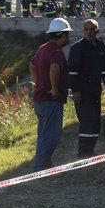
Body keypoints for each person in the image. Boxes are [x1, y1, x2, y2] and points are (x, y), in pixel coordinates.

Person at [30, 18, 73, 171]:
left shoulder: (42, 48)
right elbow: (55, 68)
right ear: (61, 35)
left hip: (40, 99)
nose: (68, 38)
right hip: (50, 100)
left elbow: (32, 65)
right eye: (67, 34)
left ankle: (44, 165)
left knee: (43, 134)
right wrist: (54, 88)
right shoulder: (56, 52)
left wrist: (38, 83)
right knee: (51, 135)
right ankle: (41, 168)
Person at [68, 19, 105, 158]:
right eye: (86, 29)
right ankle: (83, 152)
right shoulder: (77, 48)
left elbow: (104, 68)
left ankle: (91, 150)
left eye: (92, 29)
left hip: (95, 89)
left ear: (97, 31)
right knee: (87, 120)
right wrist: (75, 91)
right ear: (83, 31)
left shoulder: (100, 46)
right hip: (82, 90)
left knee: (95, 120)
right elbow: (72, 72)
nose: (89, 32)